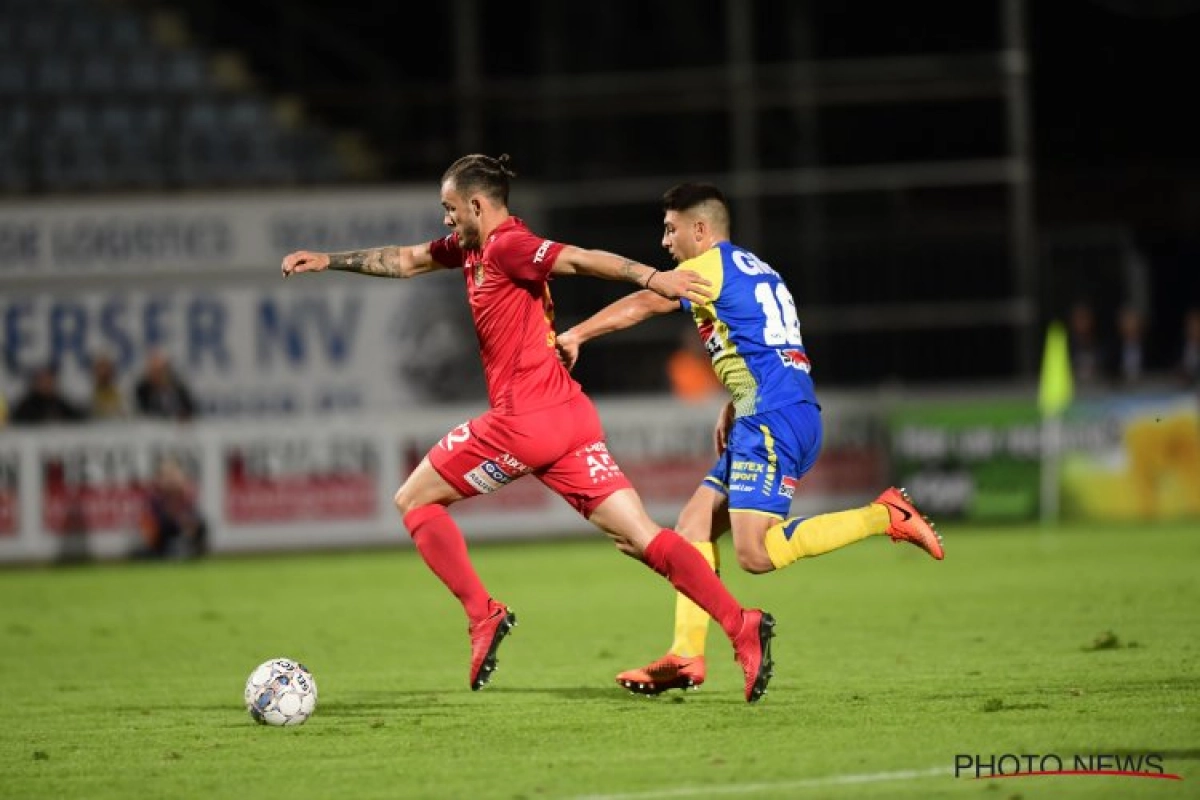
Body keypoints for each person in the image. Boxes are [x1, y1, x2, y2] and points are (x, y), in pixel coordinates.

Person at [281, 154, 776, 703]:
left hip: (522, 423)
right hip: (570, 418)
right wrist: (328, 260)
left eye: (450, 209)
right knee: (644, 537)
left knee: (414, 500)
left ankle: (482, 614)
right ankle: (741, 625)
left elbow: (583, 260)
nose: (445, 220)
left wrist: (652, 276)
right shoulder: (470, 248)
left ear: (476, 205)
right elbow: (406, 259)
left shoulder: (508, 246)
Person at [555, 183, 943, 695]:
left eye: (671, 229)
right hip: (778, 411)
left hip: (772, 421)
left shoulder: (709, 267)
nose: (665, 241)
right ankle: (687, 655)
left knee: (754, 555)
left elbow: (651, 300)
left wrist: (577, 334)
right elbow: (771, 343)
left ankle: (884, 515)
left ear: (701, 230)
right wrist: (734, 401)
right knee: (693, 522)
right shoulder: (757, 268)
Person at [9, 363, 87, 425]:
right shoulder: (26, 406)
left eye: (49, 380)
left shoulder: (58, 402)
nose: (46, 384)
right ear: (35, 383)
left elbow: (76, 416)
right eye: (43, 380)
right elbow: (17, 421)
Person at [666, 324, 723, 403]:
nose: (699, 344)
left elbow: (720, 388)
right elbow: (687, 392)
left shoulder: (713, 360)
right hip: (688, 407)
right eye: (695, 340)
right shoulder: (680, 362)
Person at [135, 349, 196, 422]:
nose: (158, 375)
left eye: (161, 371)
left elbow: (190, 410)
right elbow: (142, 413)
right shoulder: (142, 390)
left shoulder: (179, 389)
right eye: (155, 371)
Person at [89, 352, 128, 420]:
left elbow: (126, 414)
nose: (103, 372)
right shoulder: (89, 394)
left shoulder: (121, 394)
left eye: (106, 368)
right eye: (100, 368)